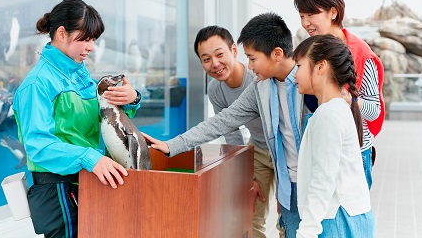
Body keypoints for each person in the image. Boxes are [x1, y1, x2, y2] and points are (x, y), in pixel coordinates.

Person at [144, 12, 314, 238]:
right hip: (266, 151)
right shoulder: (259, 86)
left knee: (303, 223)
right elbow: (224, 123)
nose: (250, 66)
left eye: (252, 58)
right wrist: (172, 145)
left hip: (304, 163)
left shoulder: (307, 79)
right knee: (261, 216)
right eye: (206, 59)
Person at [13, 0, 142, 238]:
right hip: (58, 192)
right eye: (85, 38)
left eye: (93, 39)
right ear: (62, 33)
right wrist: (90, 157)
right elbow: (38, 146)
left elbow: (104, 117)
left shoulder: (79, 74)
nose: (91, 46)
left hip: (88, 182)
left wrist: (131, 98)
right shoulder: (37, 84)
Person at [294, 0, 385, 189]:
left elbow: (375, 110)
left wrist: (350, 100)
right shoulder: (309, 50)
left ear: (333, 12)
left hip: (353, 151)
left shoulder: (362, 55)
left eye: (311, 14)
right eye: (302, 16)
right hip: (320, 148)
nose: (306, 22)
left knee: (350, 217)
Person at [194, 25, 283, 238]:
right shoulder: (215, 89)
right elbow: (231, 132)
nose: (214, 64)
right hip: (258, 149)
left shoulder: (259, 77)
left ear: (234, 50)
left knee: (287, 218)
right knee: (249, 214)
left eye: (219, 54)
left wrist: (286, 179)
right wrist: (245, 176)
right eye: (206, 59)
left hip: (283, 149)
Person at [293, 34, 375, 237]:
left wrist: (306, 231)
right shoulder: (335, 109)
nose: (294, 75)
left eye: (300, 66)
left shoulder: (329, 113)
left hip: (338, 219)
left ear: (321, 66)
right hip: (344, 216)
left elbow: (323, 180)